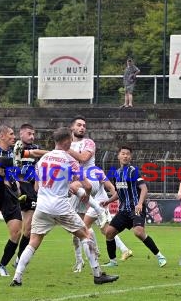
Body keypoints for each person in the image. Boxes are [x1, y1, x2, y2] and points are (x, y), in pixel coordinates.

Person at [10, 127, 118, 287]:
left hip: (42, 207)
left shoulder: (43, 160)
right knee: (86, 235)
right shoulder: (69, 160)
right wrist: (85, 196)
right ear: (67, 141)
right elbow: (87, 185)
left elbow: (36, 188)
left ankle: (17, 278)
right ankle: (97, 274)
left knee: (33, 242)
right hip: (60, 206)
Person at [67, 116, 129, 270]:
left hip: (89, 182)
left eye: (84, 125)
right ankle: (83, 259)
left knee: (86, 227)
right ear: (72, 128)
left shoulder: (88, 143)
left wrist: (114, 198)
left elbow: (83, 158)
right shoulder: (66, 145)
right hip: (77, 184)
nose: (82, 128)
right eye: (79, 125)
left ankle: (94, 251)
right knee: (79, 229)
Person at [101, 146, 167, 267]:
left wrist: (140, 203)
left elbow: (144, 188)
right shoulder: (116, 173)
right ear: (118, 156)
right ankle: (113, 262)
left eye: (127, 154)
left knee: (138, 232)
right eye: (123, 154)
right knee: (109, 232)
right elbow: (118, 193)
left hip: (135, 208)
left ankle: (160, 256)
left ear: (130, 157)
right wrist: (108, 201)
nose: (125, 156)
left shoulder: (133, 171)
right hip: (123, 210)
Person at [12, 123, 48, 266]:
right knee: (17, 229)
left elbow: (39, 167)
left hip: (31, 190)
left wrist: (37, 184)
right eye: (29, 133)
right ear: (21, 134)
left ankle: (19, 258)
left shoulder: (35, 149)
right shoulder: (14, 148)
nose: (32, 136)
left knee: (28, 229)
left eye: (33, 134)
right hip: (17, 187)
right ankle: (9, 260)